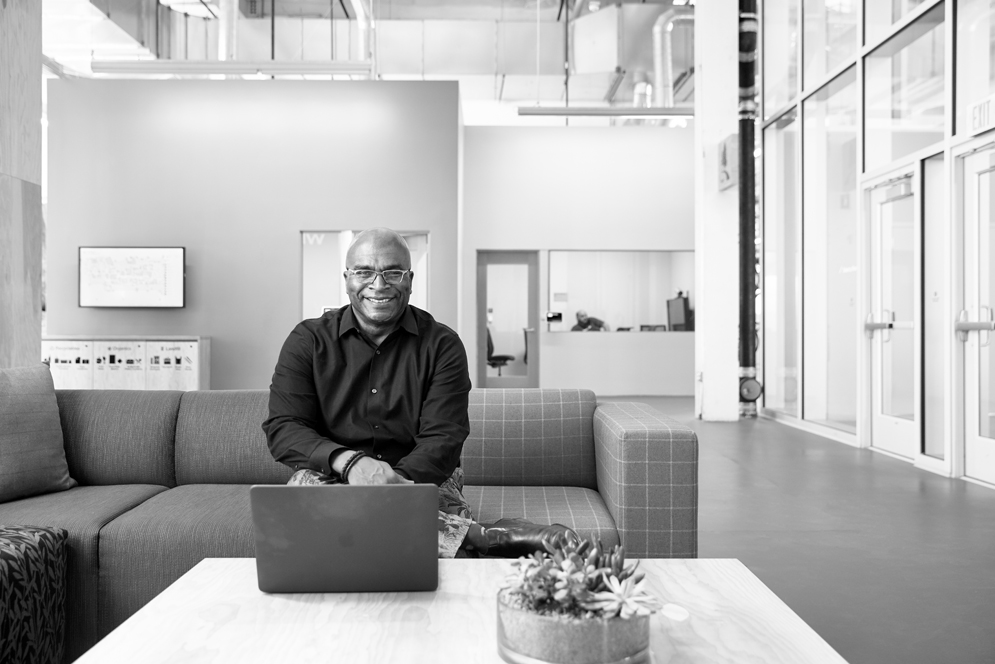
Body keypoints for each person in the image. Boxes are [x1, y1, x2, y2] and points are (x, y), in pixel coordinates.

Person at [262, 228, 576, 558]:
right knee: (300, 508)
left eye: (392, 272)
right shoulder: (307, 341)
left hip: (422, 478)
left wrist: (394, 487)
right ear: (347, 279)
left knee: (342, 528)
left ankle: (462, 536)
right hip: (332, 475)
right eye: (364, 271)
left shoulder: (442, 345)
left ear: (410, 280)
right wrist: (352, 464)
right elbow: (284, 428)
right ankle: (487, 537)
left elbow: (444, 436)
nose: (378, 284)